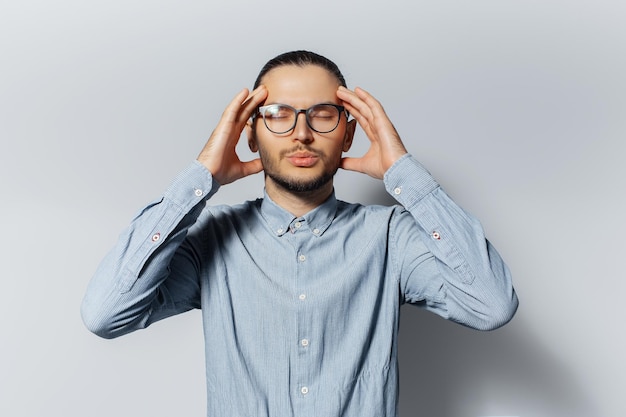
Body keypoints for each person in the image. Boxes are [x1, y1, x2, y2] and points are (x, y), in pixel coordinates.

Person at [81, 50, 518, 417]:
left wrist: (405, 174)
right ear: (249, 134)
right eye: (278, 115)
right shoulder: (212, 239)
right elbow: (105, 314)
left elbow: (492, 304)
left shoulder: (390, 238)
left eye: (323, 115)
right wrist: (201, 177)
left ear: (348, 133)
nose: (302, 133)